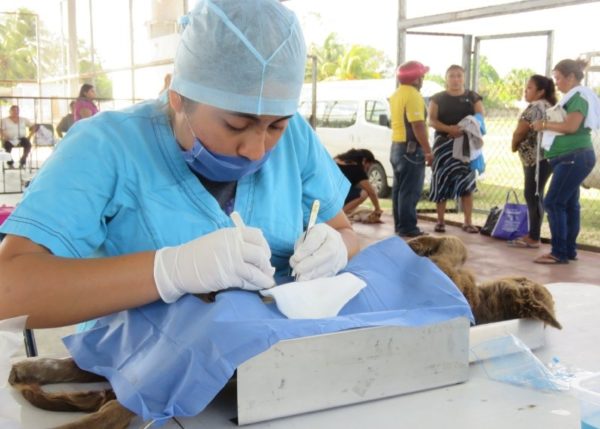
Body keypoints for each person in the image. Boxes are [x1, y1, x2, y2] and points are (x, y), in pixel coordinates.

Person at [0, 0, 359, 328]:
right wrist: (171, 271)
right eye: (236, 125)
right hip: (134, 375)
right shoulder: (106, 147)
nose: (255, 149)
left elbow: (344, 230)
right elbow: (10, 290)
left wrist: (337, 246)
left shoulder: (296, 139)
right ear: (178, 98)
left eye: (275, 126)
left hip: (271, 367)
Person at [531, 58, 599, 264]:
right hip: (569, 157)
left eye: (558, 78)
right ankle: (568, 250)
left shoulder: (578, 96)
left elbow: (571, 126)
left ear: (571, 77)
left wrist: (543, 124)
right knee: (569, 203)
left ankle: (559, 251)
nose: (557, 83)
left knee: (553, 202)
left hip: (574, 156)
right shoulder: (575, 96)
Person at [428, 64, 485, 234]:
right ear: (446, 79)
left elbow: (480, 117)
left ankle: (467, 222)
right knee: (441, 180)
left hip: (466, 144)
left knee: (466, 183)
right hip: (443, 145)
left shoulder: (473, 97)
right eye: (452, 75)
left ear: (464, 78)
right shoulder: (437, 98)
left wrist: (464, 129)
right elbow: (431, 120)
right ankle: (440, 221)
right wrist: (449, 129)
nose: (455, 79)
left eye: (459, 75)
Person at [509, 75, 557, 248]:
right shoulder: (549, 106)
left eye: (529, 88)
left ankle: (534, 237)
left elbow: (520, 132)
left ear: (540, 91)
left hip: (537, 160)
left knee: (532, 194)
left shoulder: (535, 107)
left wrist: (514, 145)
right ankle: (534, 233)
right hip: (545, 157)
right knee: (536, 194)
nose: (525, 91)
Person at [389, 61, 433, 237]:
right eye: (421, 76)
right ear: (415, 79)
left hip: (397, 147)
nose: (422, 79)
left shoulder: (396, 94)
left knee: (399, 190)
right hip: (411, 150)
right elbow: (417, 125)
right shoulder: (413, 95)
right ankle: (408, 228)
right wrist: (428, 151)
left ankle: (401, 225)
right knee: (410, 190)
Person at [334, 148, 383, 217]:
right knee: (364, 193)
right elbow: (371, 192)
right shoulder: (356, 169)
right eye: (368, 166)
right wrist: (377, 209)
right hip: (336, 196)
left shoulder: (336, 159)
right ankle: (340, 215)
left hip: (326, 194)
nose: (367, 169)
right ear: (364, 160)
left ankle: (340, 212)